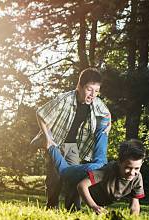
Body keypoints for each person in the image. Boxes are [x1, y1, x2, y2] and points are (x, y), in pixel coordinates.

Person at [34, 67, 111, 209]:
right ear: (79, 86)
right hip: (56, 141)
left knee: (75, 176)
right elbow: (40, 113)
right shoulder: (64, 99)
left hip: (73, 146)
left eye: (96, 91)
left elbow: (106, 113)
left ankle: (73, 210)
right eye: (89, 89)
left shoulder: (96, 102)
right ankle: (52, 206)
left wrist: (109, 123)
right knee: (55, 177)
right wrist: (47, 138)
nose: (93, 94)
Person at [43, 129, 145, 215]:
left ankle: (103, 126)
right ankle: (50, 146)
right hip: (89, 171)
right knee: (63, 171)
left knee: (100, 156)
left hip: (101, 165)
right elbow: (81, 186)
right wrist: (94, 206)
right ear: (119, 163)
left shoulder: (137, 178)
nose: (132, 172)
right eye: (128, 167)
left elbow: (135, 204)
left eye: (137, 168)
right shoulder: (106, 172)